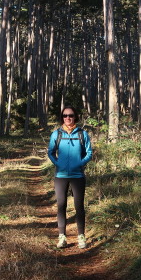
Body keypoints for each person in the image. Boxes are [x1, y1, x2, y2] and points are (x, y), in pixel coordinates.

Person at [47, 106, 93, 249]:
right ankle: (62, 237)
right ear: (62, 117)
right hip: (60, 175)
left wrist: (80, 163)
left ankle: (81, 236)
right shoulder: (56, 134)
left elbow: (89, 153)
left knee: (79, 207)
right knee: (61, 206)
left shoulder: (82, 134)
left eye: (71, 115)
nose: (68, 118)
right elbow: (50, 152)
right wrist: (58, 163)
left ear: (75, 117)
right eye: (65, 115)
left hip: (78, 175)